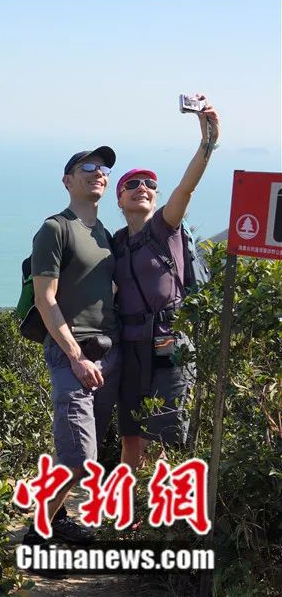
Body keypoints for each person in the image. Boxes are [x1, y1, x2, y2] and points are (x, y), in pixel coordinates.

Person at [113, 95, 220, 469]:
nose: (143, 187)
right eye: (132, 184)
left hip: (169, 345)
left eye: (150, 184)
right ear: (120, 199)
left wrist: (207, 141)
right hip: (130, 349)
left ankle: (155, 505)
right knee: (130, 438)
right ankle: (128, 502)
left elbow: (186, 188)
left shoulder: (164, 227)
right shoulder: (115, 243)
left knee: (160, 440)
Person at [26, 145, 122, 545]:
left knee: (75, 449)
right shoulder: (56, 229)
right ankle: (38, 534)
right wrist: (77, 356)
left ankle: (57, 516)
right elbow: (44, 298)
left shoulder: (103, 235)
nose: (98, 172)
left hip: (107, 354)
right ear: (67, 181)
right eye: (88, 167)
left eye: (104, 169)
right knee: (81, 459)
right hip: (72, 354)